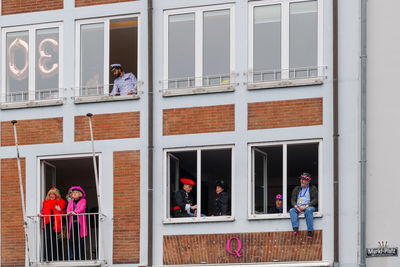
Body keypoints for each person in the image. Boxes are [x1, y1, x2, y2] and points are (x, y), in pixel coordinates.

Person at [39, 187, 66, 261]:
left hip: (57, 224)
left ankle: (57, 257)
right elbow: (43, 212)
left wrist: (60, 210)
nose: (52, 195)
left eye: (53, 194)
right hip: (48, 224)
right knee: (48, 240)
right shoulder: (46, 203)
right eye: (50, 194)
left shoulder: (61, 202)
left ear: (56, 195)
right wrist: (41, 215)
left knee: (57, 241)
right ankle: (48, 257)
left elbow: (64, 214)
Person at [289, 172, 318, 239]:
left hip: (308, 206)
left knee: (308, 210)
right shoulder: (297, 188)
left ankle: (310, 231)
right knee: (292, 210)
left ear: (308, 181)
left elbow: (315, 200)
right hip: (298, 207)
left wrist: (306, 206)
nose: (301, 181)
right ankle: (295, 228)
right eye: (301, 179)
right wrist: (296, 206)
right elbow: (292, 200)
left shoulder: (312, 188)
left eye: (304, 179)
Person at [66, 186, 87, 260]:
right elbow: (68, 209)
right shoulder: (71, 202)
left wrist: (74, 212)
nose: (74, 194)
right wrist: (69, 212)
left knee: (80, 241)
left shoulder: (83, 200)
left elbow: (82, 208)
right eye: (73, 193)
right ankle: (75, 257)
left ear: (79, 194)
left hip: (80, 224)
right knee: (73, 240)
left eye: (76, 193)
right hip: (73, 224)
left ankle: (81, 257)